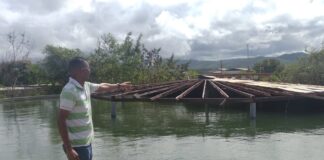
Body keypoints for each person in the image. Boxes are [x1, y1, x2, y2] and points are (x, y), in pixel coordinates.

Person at [57, 57, 132, 160]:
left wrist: (118, 86)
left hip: (86, 142)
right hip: (76, 146)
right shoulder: (69, 91)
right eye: (88, 68)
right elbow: (61, 120)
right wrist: (69, 149)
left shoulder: (85, 86)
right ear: (81, 71)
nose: (90, 71)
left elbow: (102, 86)